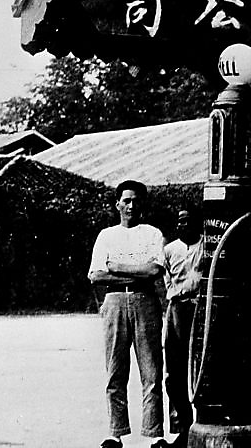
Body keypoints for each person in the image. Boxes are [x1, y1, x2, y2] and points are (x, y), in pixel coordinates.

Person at [88, 180, 170, 448]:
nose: (131, 205)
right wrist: (136, 269)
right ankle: (116, 432)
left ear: (143, 204)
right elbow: (97, 274)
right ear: (117, 204)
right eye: (126, 200)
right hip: (114, 302)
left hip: (145, 302)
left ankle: (154, 434)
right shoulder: (106, 235)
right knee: (115, 371)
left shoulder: (152, 233)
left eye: (136, 200)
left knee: (152, 371)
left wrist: (118, 266)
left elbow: (154, 271)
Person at [162, 209, 203, 446]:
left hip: (199, 309)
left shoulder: (206, 245)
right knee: (174, 371)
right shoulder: (169, 250)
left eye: (189, 221)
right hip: (177, 308)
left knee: (198, 367)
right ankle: (183, 426)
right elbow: (166, 282)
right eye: (180, 222)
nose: (184, 225)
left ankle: (200, 425)